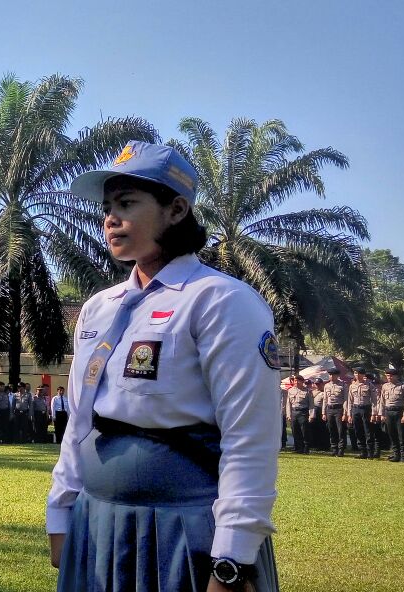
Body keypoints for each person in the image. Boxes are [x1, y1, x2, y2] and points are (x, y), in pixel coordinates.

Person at [47, 141, 279, 592]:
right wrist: (62, 510)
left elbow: (250, 437)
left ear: (175, 209)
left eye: (128, 203)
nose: (111, 218)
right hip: (99, 523)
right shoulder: (98, 308)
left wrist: (232, 557)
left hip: (184, 530)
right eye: (107, 206)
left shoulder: (220, 301)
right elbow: (79, 421)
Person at [376, 367, 404, 462]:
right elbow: (382, 401)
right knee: (392, 434)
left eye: (391, 375)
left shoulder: (403, 386)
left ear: (396, 376)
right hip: (388, 412)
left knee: (402, 435)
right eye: (387, 375)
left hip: (399, 412)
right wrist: (382, 414)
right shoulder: (385, 386)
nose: (389, 377)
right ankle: (396, 455)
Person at [348, 367, 378, 459]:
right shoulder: (352, 386)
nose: (357, 375)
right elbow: (350, 400)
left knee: (368, 431)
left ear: (363, 374)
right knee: (358, 430)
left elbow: (374, 401)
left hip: (366, 409)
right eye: (355, 373)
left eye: (359, 373)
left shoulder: (369, 385)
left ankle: (370, 452)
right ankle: (363, 451)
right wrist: (349, 414)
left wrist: (373, 413)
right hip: (355, 409)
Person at [320, 368, 350, 457]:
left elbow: (346, 400)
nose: (331, 376)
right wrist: (323, 413)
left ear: (337, 375)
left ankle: (341, 449)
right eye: (330, 375)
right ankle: (334, 448)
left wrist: (345, 413)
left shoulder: (343, 385)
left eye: (333, 375)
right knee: (332, 429)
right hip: (329, 409)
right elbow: (325, 400)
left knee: (341, 430)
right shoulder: (327, 386)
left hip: (339, 409)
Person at [286, 376, 313, 454]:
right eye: (295, 381)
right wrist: (289, 414)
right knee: (295, 430)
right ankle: (298, 448)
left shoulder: (307, 391)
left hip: (303, 412)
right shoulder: (290, 390)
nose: (296, 382)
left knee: (304, 431)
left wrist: (311, 415)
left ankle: (306, 448)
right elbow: (288, 404)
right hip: (294, 412)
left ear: (302, 381)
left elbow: (311, 404)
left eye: (298, 381)